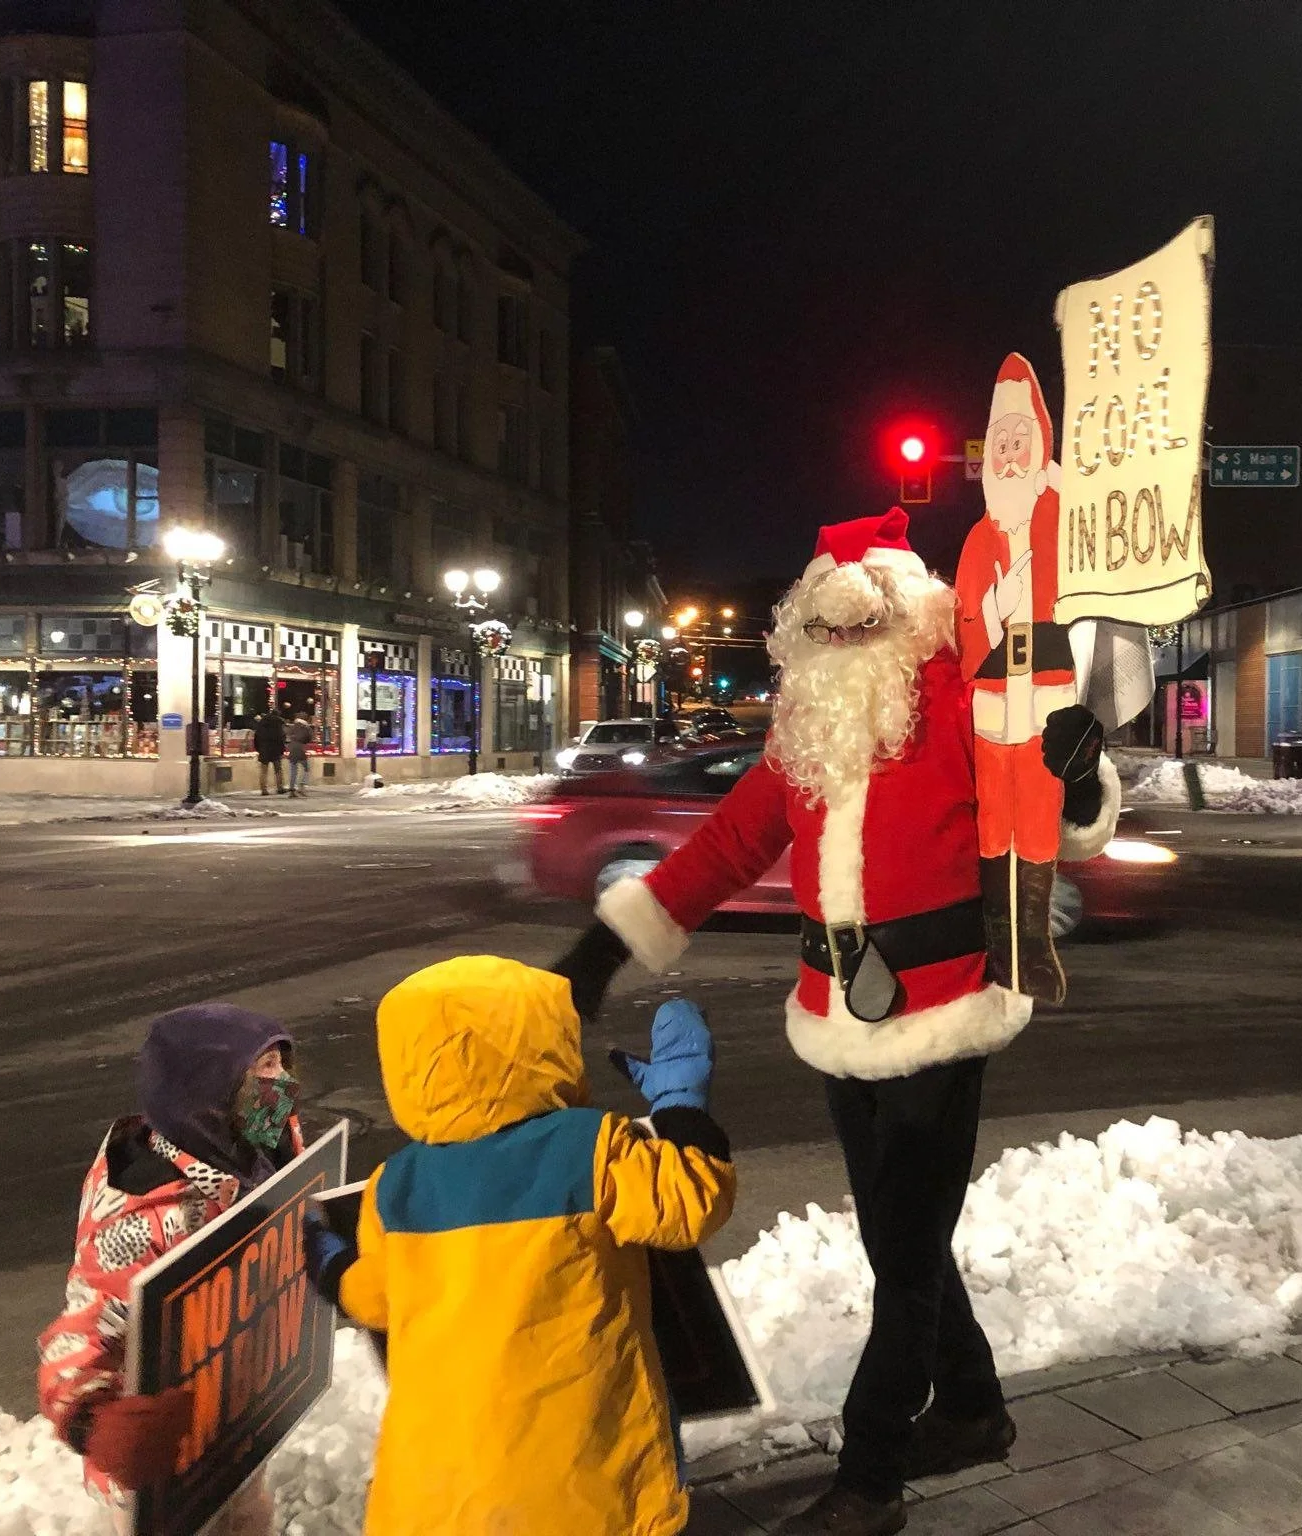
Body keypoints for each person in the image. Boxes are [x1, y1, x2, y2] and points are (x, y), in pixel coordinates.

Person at [558, 508, 1120, 1536]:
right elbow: (725, 846)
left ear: (914, 619)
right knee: (897, 1236)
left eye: (869, 624)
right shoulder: (804, 733)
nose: (849, 641)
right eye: (832, 628)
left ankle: (870, 1474)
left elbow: (1046, 810)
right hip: (831, 1014)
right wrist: (603, 951)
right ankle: (972, 1404)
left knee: (902, 1254)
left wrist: (1077, 769)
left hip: (942, 1010)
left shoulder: (959, 705)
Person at [303, 957, 734, 1536]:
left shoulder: (396, 1185)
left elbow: (375, 1297)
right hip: (586, 1477)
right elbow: (687, 1205)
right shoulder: (588, 1147)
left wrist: (329, 1264)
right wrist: (681, 1105)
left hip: (443, 1496)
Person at [37, 1004, 303, 1535]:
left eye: (282, 1063)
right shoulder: (144, 1217)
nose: (283, 1083)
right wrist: (97, 1423)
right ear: (205, 1094)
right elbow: (79, 1336)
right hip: (160, 1469)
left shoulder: (250, 1148)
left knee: (250, 1517)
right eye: (263, 1070)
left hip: (228, 1425)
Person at [955, 354, 1080, 1002]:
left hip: (1049, 705)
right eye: (999, 442)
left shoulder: (1063, 513)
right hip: (991, 709)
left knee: (1037, 823)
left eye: (1019, 440)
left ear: (1040, 442)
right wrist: (990, 618)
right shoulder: (978, 535)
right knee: (990, 827)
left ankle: (1034, 945)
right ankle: (995, 945)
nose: (1008, 454)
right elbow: (964, 616)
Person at [252, 705, 286, 795]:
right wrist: (282, 750)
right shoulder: (279, 723)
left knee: (263, 770)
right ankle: (280, 787)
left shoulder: (262, 723)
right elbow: (281, 738)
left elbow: (256, 737)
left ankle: (263, 789)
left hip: (264, 749)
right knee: (278, 770)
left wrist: (259, 749)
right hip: (276, 750)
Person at [284, 709, 313, 796]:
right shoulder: (306, 728)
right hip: (300, 749)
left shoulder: (293, 726)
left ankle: (292, 790)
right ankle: (302, 786)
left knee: (293, 770)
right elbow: (309, 738)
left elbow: (287, 734)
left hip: (292, 749)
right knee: (307, 768)